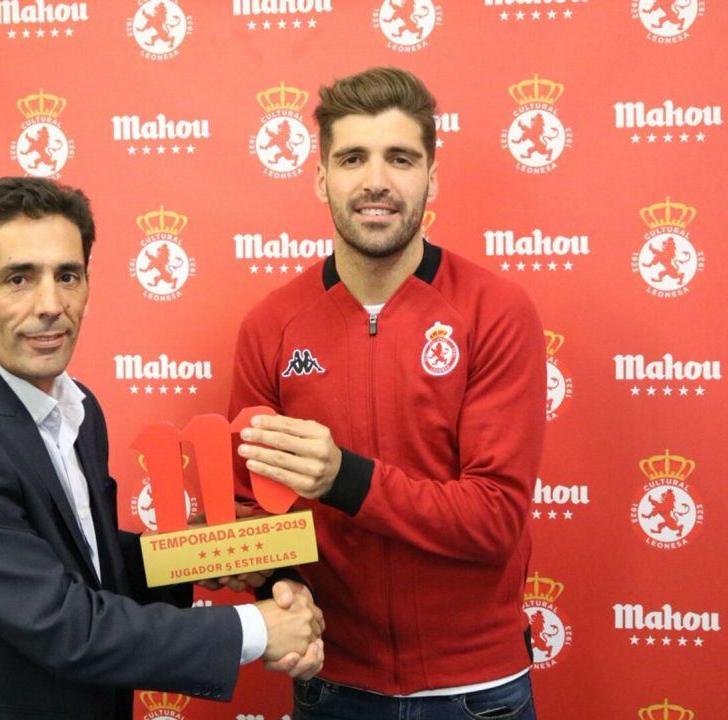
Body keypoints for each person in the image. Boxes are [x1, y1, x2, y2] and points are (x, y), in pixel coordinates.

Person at [0, 177, 323, 720]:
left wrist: (196, 558)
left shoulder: (77, 408)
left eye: (67, 276)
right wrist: (257, 629)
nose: (51, 305)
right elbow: (63, 623)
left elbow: (87, 564)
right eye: (18, 279)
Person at [226, 68, 545, 719]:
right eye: (351, 158)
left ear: (431, 176)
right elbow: (246, 509)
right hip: (334, 685)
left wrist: (345, 477)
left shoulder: (495, 311)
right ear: (321, 177)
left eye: (401, 158)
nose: (376, 181)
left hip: (477, 692)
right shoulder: (271, 324)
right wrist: (281, 587)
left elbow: (494, 518)